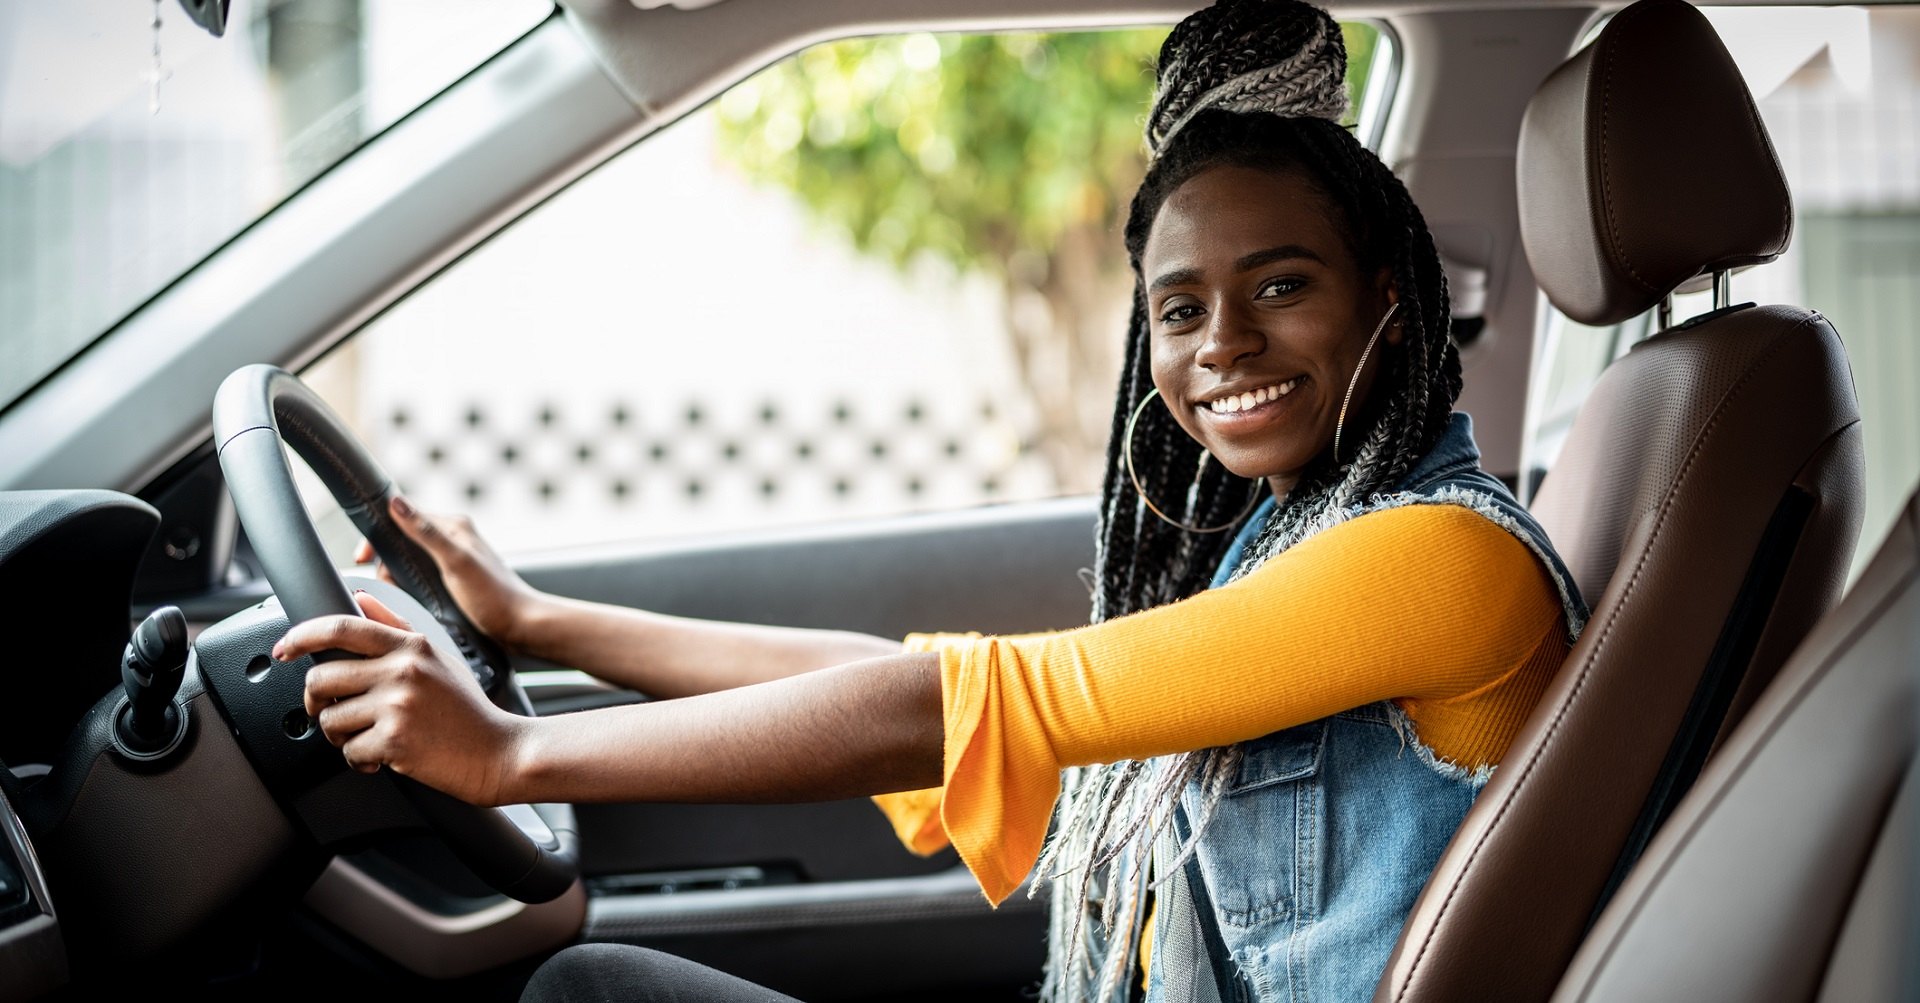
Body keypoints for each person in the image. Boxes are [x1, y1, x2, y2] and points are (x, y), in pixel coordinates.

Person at [272, 1, 1588, 999]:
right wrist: (539, 620)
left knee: (589, 989)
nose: (1221, 344)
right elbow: (923, 692)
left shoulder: (1438, 561)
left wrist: (509, 756)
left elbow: (963, 706)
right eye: (1180, 309)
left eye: (1283, 285)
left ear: (1396, 312)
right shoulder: (1293, 540)